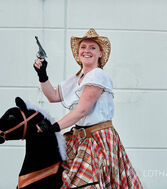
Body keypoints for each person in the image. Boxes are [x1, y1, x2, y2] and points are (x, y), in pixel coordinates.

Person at [34, 28, 143, 189]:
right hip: (79, 138)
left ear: (100, 54)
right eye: (83, 47)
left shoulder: (98, 75)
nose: (87, 50)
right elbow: (53, 96)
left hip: (97, 139)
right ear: (78, 52)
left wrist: (53, 127)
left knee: (84, 185)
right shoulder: (78, 77)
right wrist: (42, 75)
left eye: (92, 47)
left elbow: (81, 111)